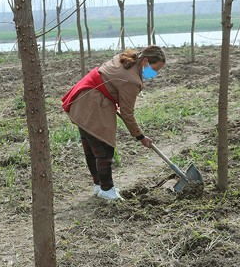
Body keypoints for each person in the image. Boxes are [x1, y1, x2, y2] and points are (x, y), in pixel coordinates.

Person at [62, 46, 166, 200]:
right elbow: (127, 113)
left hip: (83, 97)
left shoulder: (125, 58)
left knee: (91, 147)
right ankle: (107, 189)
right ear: (144, 61)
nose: (154, 74)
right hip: (92, 104)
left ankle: (99, 185)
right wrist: (140, 136)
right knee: (104, 148)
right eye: (154, 69)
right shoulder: (132, 81)